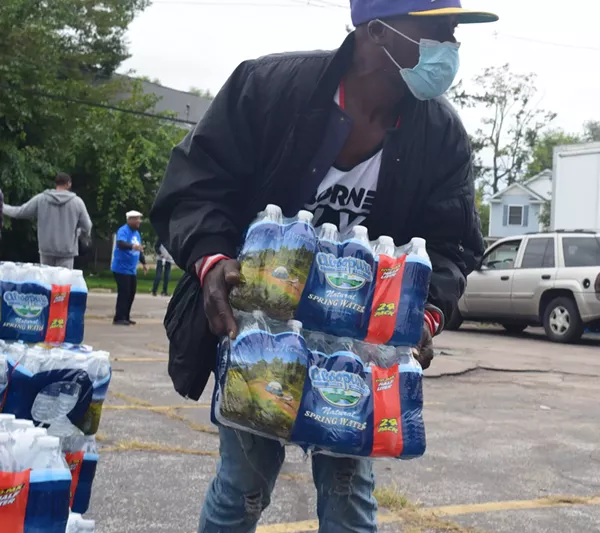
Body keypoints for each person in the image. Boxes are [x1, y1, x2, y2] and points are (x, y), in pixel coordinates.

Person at [150, 1, 494, 531]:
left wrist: (424, 314)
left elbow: (453, 245)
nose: (452, 45)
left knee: (349, 490)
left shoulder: (440, 134)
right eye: (437, 30)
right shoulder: (268, 89)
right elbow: (197, 186)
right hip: (260, 332)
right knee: (244, 485)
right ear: (377, 32)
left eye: (453, 32)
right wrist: (212, 261)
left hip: (358, 349)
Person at [3, 172, 92, 268]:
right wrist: (79, 234)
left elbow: (20, 212)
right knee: (63, 282)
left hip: (46, 251)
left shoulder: (41, 199)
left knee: (46, 281)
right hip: (67, 252)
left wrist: (2, 207)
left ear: (56, 183)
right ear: (69, 183)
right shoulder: (77, 202)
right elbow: (87, 226)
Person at [111, 211, 148, 326]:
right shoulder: (123, 230)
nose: (139, 222)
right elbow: (120, 244)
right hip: (121, 268)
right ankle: (119, 318)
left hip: (131, 269)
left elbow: (139, 249)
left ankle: (126, 316)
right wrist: (133, 246)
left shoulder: (136, 233)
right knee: (124, 293)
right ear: (130, 220)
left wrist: (144, 262)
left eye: (139, 219)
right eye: (137, 219)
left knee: (131, 293)